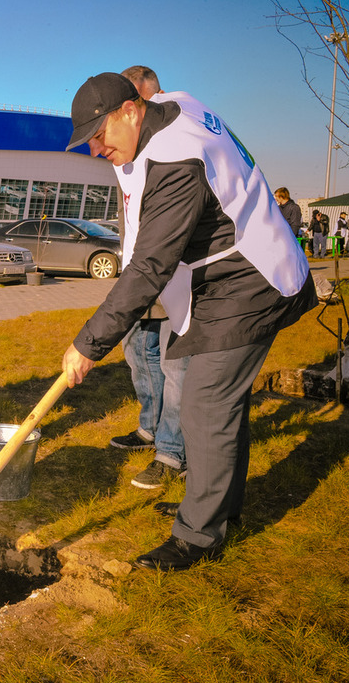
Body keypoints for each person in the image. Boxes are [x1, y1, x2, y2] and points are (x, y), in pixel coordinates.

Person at [62, 73, 316, 571]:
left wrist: (88, 345)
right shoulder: (175, 108)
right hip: (226, 279)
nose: (96, 149)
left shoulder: (176, 160)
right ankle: (217, 505)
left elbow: (150, 266)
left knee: (205, 403)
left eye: (99, 134)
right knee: (220, 406)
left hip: (251, 280)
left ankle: (198, 536)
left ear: (131, 111)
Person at [108, 66, 189, 491]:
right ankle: (151, 430)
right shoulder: (125, 152)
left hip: (173, 273)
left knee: (177, 364)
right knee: (139, 352)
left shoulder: (171, 144)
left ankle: (172, 452)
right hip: (138, 269)